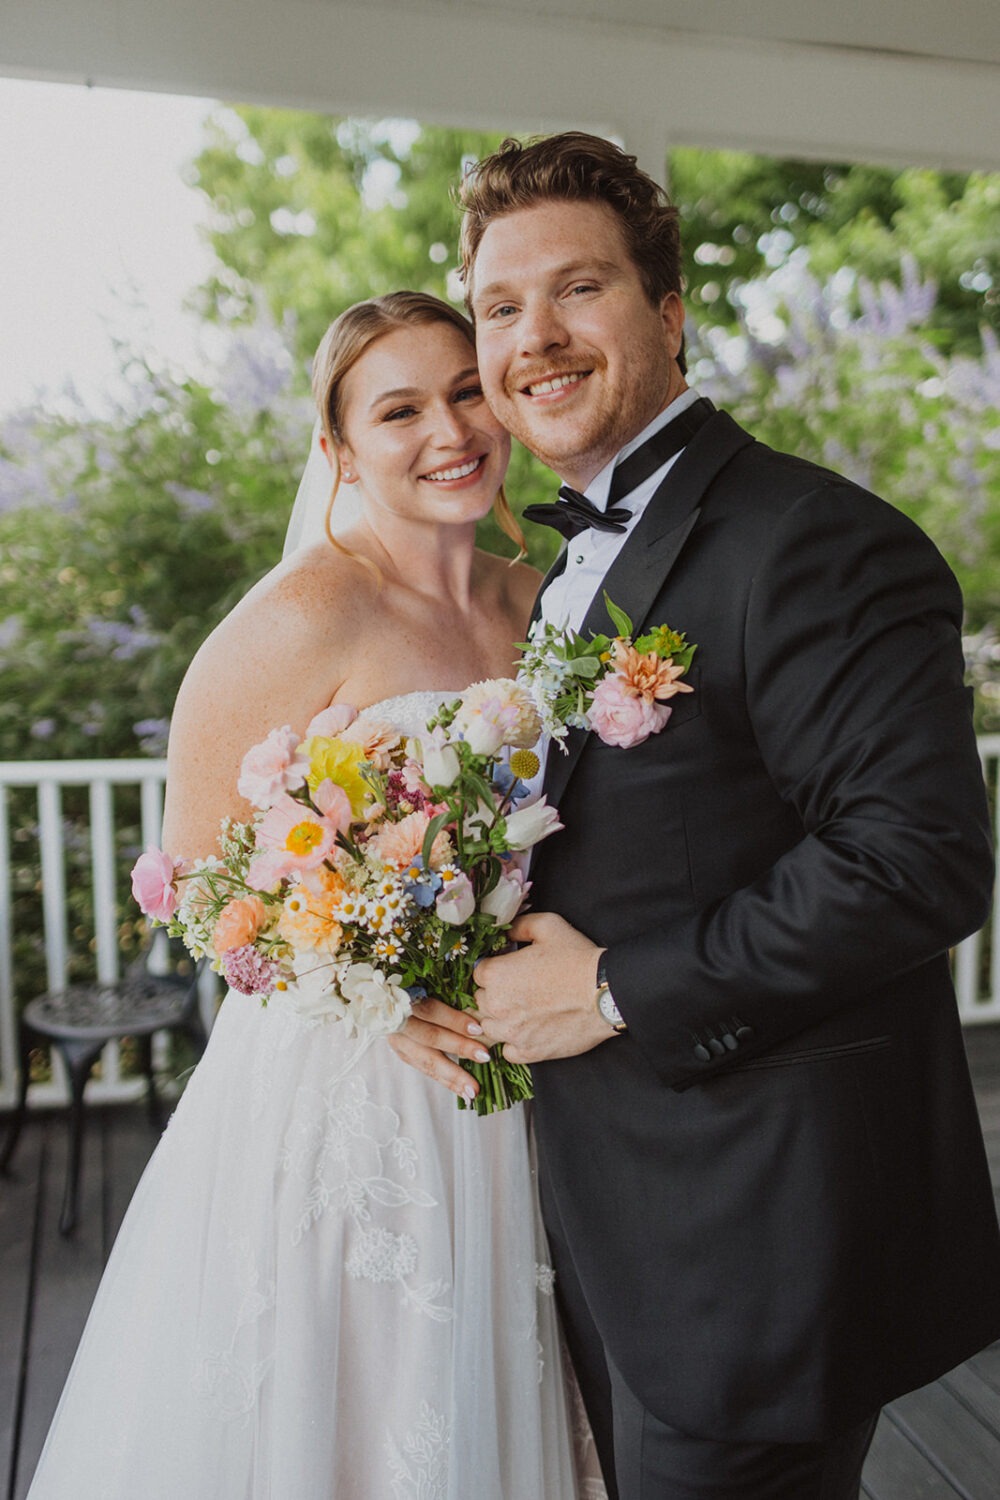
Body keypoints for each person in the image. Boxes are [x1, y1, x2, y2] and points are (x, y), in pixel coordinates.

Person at [390, 134, 1000, 1500]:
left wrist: (607, 989)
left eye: (579, 291)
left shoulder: (812, 541)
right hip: (601, 1217)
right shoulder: (562, 571)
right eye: (499, 307)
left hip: (755, 1246)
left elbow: (918, 862)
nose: (533, 338)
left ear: (668, 314)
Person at [26, 292, 605, 1500]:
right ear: (339, 451)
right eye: (398, 410)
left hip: (521, 1071)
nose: (446, 430)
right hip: (349, 1090)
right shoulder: (302, 612)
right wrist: (372, 995)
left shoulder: (538, 601)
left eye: (463, 392)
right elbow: (190, 881)